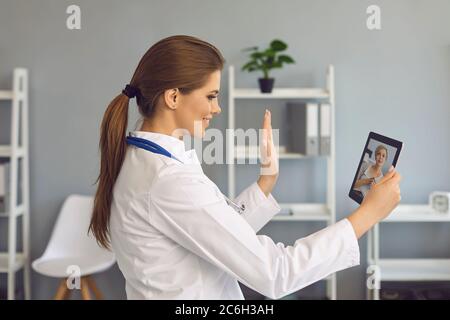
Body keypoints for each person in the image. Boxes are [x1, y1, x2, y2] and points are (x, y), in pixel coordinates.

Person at [89, 35, 402, 299]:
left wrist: (266, 182)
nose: (217, 107)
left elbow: (211, 234)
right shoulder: (167, 180)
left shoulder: (143, 159)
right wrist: (367, 215)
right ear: (172, 97)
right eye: (210, 96)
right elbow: (275, 273)